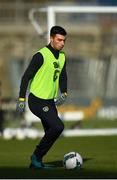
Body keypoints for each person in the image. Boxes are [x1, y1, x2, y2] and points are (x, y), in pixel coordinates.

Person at [16, 26, 68, 169]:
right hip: (37, 100)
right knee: (58, 126)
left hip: (50, 102)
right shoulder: (41, 55)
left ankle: (36, 163)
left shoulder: (62, 57)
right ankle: (36, 157)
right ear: (51, 38)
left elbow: (63, 77)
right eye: (59, 40)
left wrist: (64, 92)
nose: (62, 43)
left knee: (51, 132)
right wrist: (21, 99)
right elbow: (26, 77)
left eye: (64, 40)